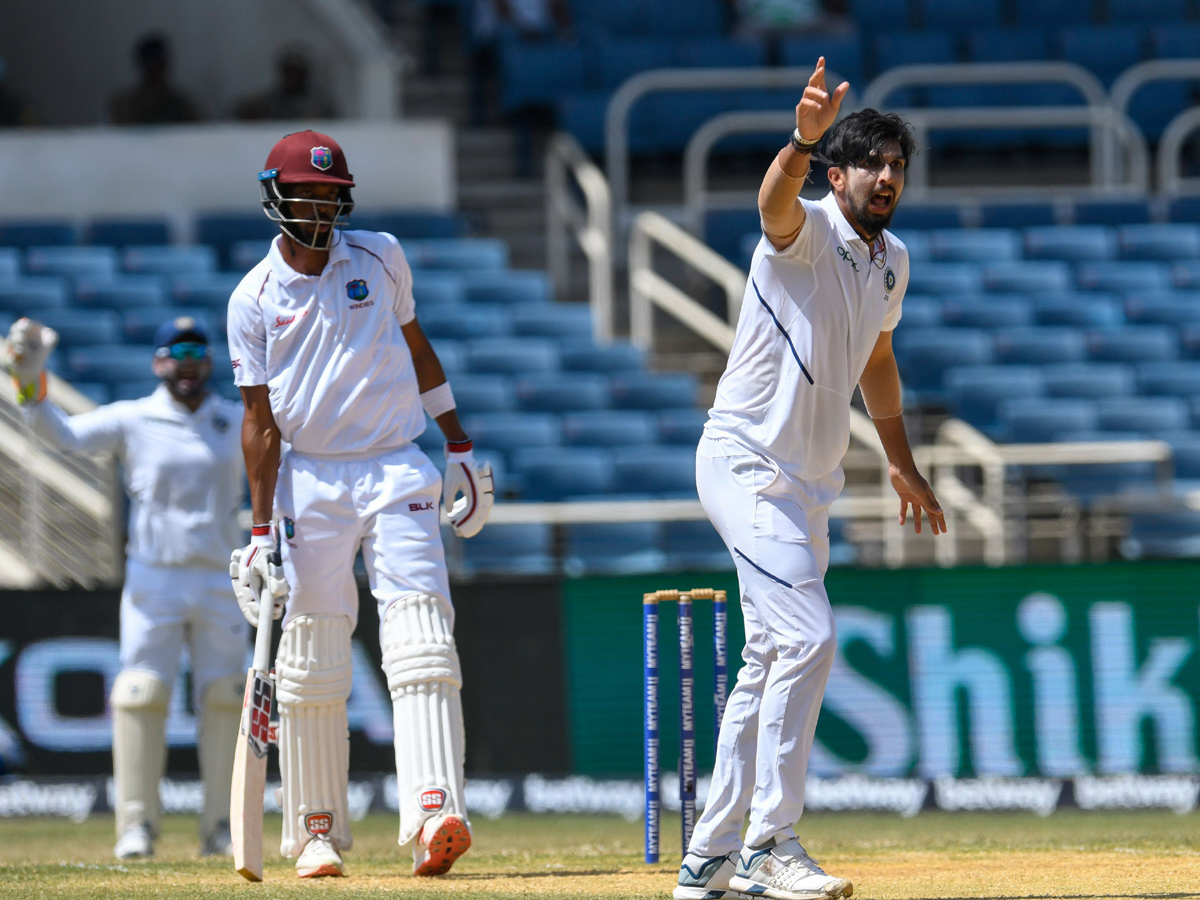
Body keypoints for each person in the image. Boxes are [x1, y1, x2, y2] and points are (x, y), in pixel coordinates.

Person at [674, 59, 945, 900]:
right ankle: (770, 844)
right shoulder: (811, 231)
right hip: (744, 464)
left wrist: (901, 459)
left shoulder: (892, 258)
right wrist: (800, 138)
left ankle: (708, 858)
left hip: (807, 487)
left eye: (898, 166)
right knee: (808, 638)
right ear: (840, 174)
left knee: (768, 660)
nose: (889, 177)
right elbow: (770, 206)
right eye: (874, 164)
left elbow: (879, 359)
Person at [225, 129, 494, 879]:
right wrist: (257, 529)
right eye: (305, 195)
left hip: (395, 467)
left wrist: (460, 444)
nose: (318, 209)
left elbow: (416, 348)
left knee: (422, 636)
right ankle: (316, 831)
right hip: (308, 480)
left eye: (329, 196)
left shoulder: (381, 255)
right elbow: (258, 421)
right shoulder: (252, 298)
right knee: (309, 653)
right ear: (276, 198)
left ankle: (435, 809)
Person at [4, 316, 247, 860]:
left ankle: (224, 828)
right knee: (141, 694)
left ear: (210, 362)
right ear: (158, 362)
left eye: (196, 351)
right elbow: (61, 436)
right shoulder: (134, 419)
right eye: (175, 352)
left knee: (228, 697)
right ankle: (136, 827)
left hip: (221, 575)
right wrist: (29, 379)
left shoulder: (235, 420)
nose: (187, 362)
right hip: (153, 577)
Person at [111, 33, 200, 125]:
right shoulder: (125, 105)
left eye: (159, 67)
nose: (155, 73)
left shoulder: (183, 106)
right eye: (151, 68)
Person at [233, 49, 336, 122]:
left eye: (297, 73)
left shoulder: (318, 103)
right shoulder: (271, 101)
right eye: (289, 72)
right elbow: (242, 111)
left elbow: (332, 122)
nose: (293, 77)